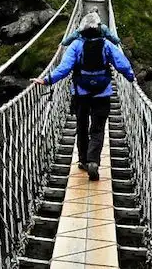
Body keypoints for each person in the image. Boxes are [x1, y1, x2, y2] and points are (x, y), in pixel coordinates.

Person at [32, 13, 135, 181]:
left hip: (81, 94)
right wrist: (131, 77)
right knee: (98, 128)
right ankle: (94, 161)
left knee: (81, 126)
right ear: (99, 28)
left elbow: (64, 68)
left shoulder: (76, 46)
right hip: (103, 93)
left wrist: (46, 80)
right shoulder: (106, 44)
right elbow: (121, 64)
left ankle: (83, 160)